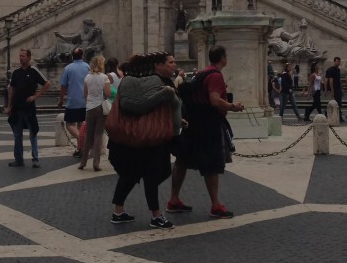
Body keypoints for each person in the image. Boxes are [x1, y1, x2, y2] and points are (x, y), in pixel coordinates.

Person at [168, 45, 243, 219]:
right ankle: (216, 205)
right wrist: (233, 106)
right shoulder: (215, 75)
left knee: (182, 160)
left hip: (193, 122)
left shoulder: (202, 73)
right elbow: (215, 101)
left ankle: (173, 199)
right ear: (223, 58)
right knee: (212, 164)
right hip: (208, 124)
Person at [109, 53, 181, 228]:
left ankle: (118, 211)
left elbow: (158, 109)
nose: (174, 65)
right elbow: (133, 105)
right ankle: (156, 215)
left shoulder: (157, 81)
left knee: (133, 174)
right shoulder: (133, 81)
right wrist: (164, 94)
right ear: (155, 65)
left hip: (150, 134)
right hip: (141, 136)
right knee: (149, 174)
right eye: (170, 62)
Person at [6, 49, 49, 168]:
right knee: (17, 134)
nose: (21, 58)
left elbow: (47, 83)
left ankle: (35, 159)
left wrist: (36, 96)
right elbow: (12, 89)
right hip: (16, 107)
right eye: (19, 56)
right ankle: (18, 159)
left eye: (23, 56)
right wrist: (9, 106)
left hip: (29, 107)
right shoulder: (16, 72)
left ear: (29, 57)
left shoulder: (34, 70)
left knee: (33, 133)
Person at [79, 55, 112, 171]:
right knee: (98, 135)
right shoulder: (104, 77)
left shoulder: (87, 77)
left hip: (89, 107)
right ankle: (96, 163)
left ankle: (83, 162)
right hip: (100, 107)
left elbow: (85, 94)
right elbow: (108, 93)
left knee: (88, 135)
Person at [59, 47, 90, 156]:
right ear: (82, 56)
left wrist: (61, 99)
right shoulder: (87, 67)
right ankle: (80, 149)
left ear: (72, 56)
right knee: (81, 125)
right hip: (85, 100)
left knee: (69, 124)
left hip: (73, 101)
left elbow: (63, 86)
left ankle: (82, 140)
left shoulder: (68, 68)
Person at [324, 56, 344, 122]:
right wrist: (331, 90)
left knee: (339, 103)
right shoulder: (331, 70)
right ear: (334, 61)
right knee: (335, 103)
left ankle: (339, 116)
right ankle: (329, 115)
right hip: (334, 89)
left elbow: (339, 80)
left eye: (339, 61)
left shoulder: (338, 70)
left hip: (338, 88)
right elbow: (330, 81)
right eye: (337, 61)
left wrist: (341, 88)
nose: (339, 62)